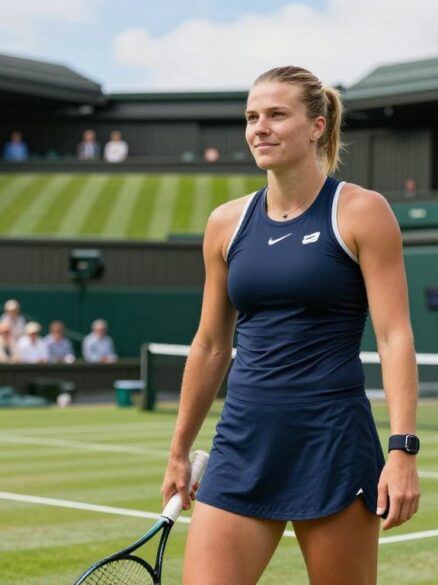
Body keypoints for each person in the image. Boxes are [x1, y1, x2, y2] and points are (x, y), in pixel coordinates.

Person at [165, 66, 418, 585]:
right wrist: (177, 451)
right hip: (241, 442)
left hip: (331, 443)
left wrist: (403, 450)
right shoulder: (225, 223)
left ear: (317, 126)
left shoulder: (363, 212)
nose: (260, 127)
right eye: (252, 117)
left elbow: (395, 338)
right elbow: (211, 345)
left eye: (277, 115)